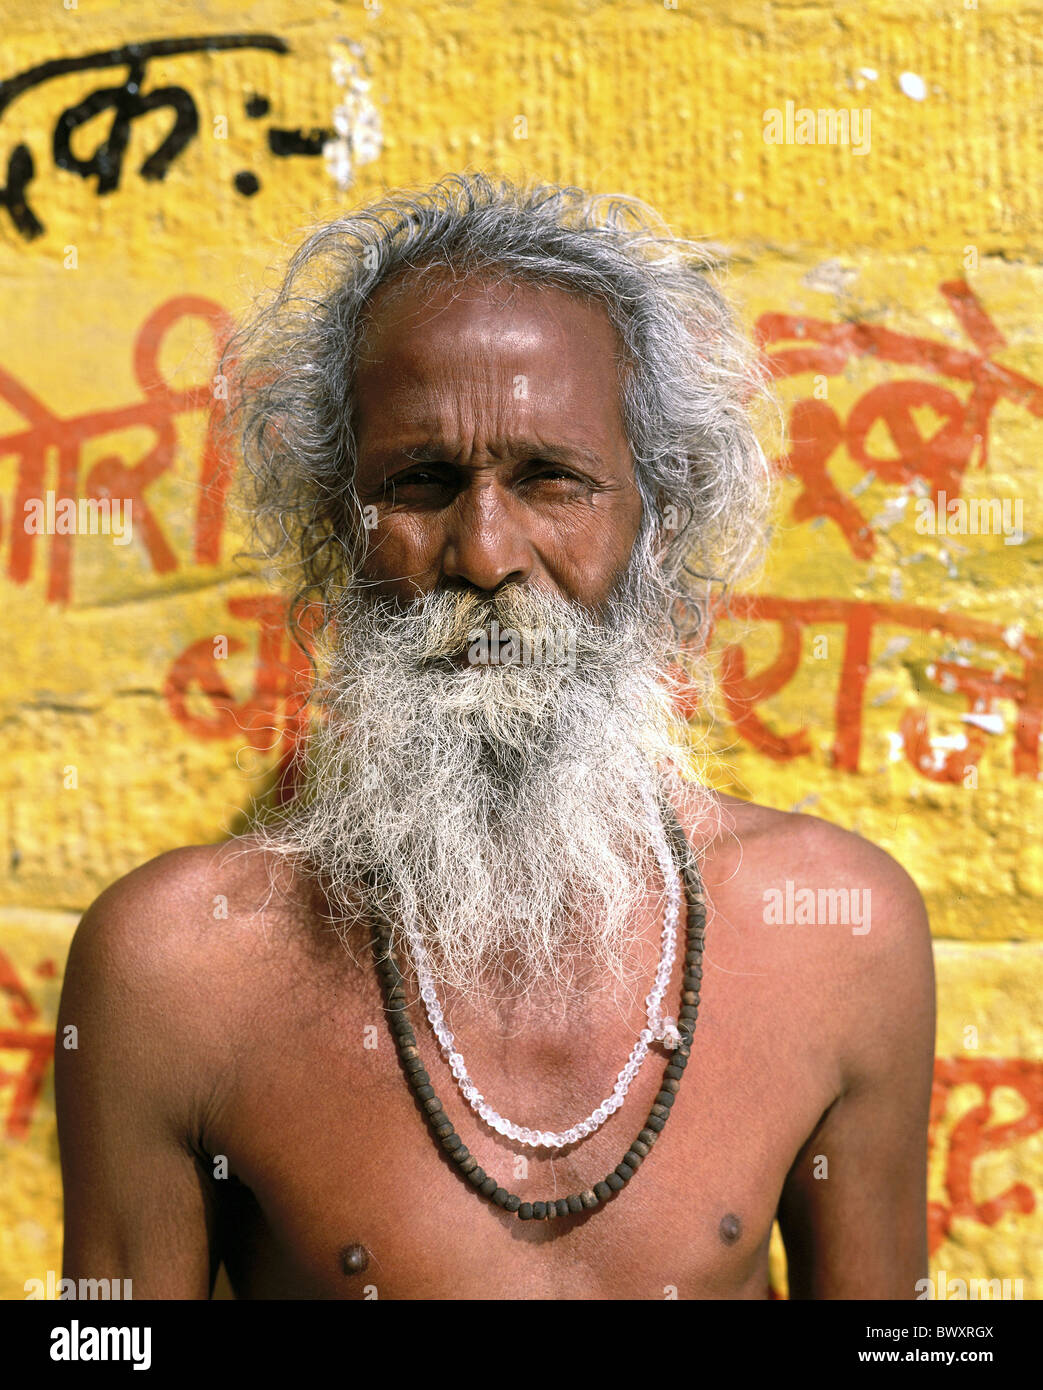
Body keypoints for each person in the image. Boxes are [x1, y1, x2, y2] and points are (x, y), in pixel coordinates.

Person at [56, 174, 935, 1299]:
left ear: (653, 523)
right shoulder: (174, 969)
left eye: (551, 480)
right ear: (338, 526)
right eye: (420, 483)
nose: (483, 553)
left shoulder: (838, 936)